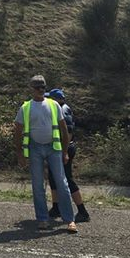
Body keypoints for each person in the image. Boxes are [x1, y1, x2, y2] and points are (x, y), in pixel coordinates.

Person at [14, 75, 78, 233]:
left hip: (53, 148)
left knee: (62, 184)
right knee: (37, 186)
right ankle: (42, 219)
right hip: (35, 148)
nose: (40, 90)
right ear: (32, 89)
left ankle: (69, 220)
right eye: (37, 87)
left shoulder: (53, 104)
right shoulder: (26, 107)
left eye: (43, 87)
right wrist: (20, 154)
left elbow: (63, 129)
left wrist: (64, 152)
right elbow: (17, 130)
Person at [45, 88, 90, 223]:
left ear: (56, 100)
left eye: (50, 98)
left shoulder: (63, 110)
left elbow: (68, 132)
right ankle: (56, 207)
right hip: (58, 148)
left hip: (64, 148)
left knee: (67, 179)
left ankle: (82, 211)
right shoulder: (59, 109)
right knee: (53, 177)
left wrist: (63, 152)